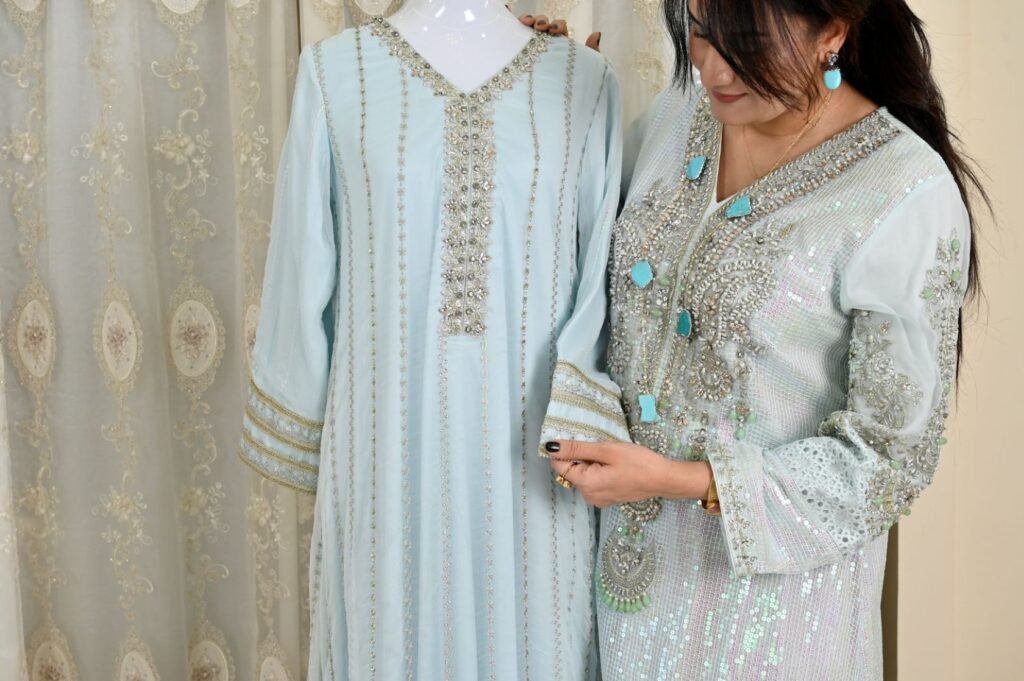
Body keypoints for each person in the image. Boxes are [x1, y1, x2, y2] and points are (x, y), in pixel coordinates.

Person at [527, 1, 985, 678]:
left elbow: (890, 461)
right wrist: (545, 79)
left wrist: (682, 480)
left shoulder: (903, 191)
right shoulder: (677, 116)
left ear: (833, 32)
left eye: (745, 44)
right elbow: (580, 250)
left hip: (776, 621)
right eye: (700, 32)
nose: (713, 69)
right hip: (623, 599)